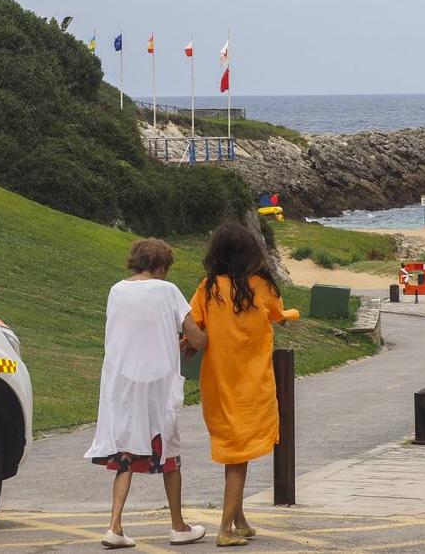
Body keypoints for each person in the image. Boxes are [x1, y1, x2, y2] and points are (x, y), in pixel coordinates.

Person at [85, 239, 208, 549]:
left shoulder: (116, 290)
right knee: (169, 451)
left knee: (125, 450)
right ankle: (178, 526)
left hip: (121, 380)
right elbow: (196, 337)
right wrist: (202, 337)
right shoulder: (168, 291)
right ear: (162, 267)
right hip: (157, 383)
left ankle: (114, 525)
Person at [189, 222, 288, 547]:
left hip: (218, 382)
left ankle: (240, 519)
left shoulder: (209, 288)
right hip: (250, 383)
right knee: (238, 457)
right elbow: (277, 313)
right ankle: (225, 529)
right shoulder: (261, 287)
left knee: (234, 450)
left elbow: (195, 323)